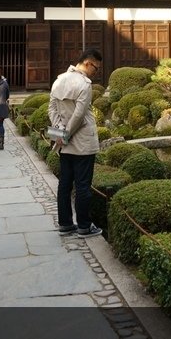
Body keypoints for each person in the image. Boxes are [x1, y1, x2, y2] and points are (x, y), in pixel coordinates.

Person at [48, 48, 103, 238]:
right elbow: (79, 115)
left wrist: (60, 131)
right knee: (82, 185)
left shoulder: (60, 79)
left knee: (64, 183)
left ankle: (65, 224)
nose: (96, 73)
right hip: (82, 143)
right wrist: (67, 134)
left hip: (64, 142)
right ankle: (84, 226)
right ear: (88, 63)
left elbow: (52, 108)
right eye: (95, 68)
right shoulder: (84, 84)